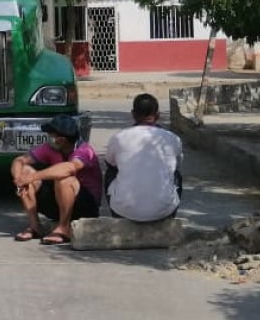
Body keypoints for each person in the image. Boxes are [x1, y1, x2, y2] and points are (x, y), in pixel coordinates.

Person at [12, 115, 103, 245]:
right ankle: (34, 226)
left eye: (51, 134)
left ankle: (63, 228)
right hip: (58, 202)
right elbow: (19, 161)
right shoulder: (49, 148)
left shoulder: (84, 151)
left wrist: (33, 177)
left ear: (61, 140)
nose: (48, 137)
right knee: (25, 171)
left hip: (85, 206)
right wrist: (19, 179)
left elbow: (69, 168)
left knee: (64, 178)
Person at [104, 93, 183, 222]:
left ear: (133, 114)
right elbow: (177, 165)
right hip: (163, 211)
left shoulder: (118, 137)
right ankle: (169, 218)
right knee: (176, 174)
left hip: (124, 211)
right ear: (158, 115)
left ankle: (118, 217)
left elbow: (110, 162)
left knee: (110, 172)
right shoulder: (172, 138)